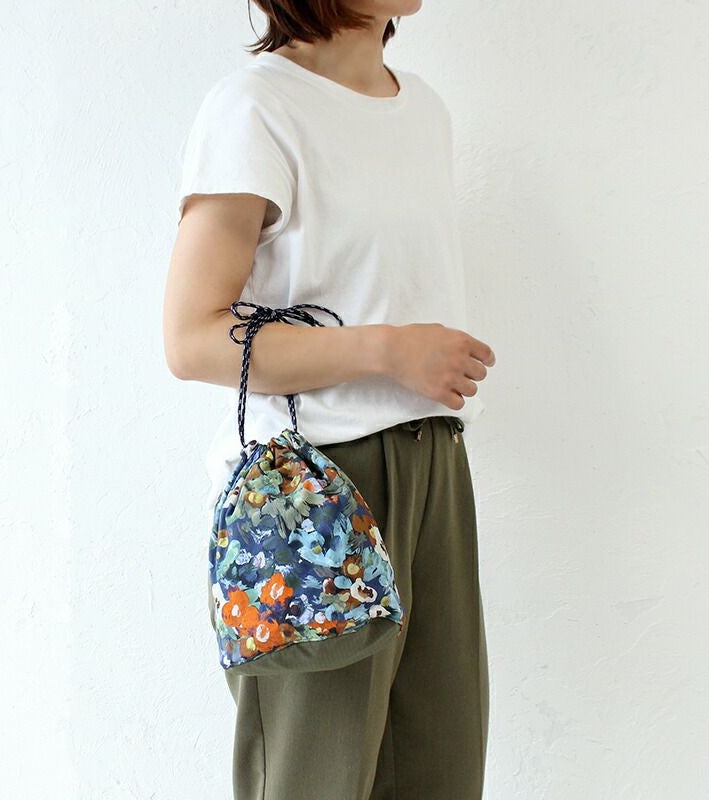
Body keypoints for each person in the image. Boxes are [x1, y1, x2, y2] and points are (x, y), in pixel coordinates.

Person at [163, 2, 496, 798]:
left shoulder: (424, 109)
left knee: (442, 776)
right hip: (316, 492)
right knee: (313, 782)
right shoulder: (255, 108)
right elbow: (192, 338)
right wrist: (387, 349)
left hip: (436, 470)